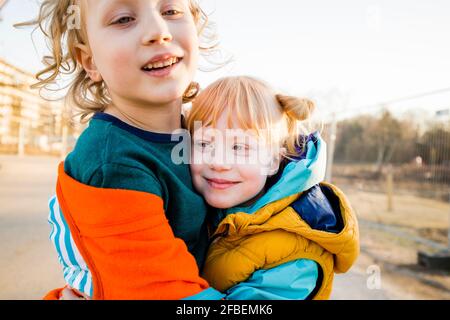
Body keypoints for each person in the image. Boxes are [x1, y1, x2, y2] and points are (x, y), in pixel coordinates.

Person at [21, 0, 225, 300]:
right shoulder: (113, 163)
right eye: (123, 19)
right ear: (90, 62)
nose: (158, 31)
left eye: (170, 11)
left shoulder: (203, 131)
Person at [186, 76, 360, 299]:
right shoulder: (208, 209)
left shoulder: (297, 252)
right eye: (204, 143)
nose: (219, 162)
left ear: (272, 161)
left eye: (240, 147)